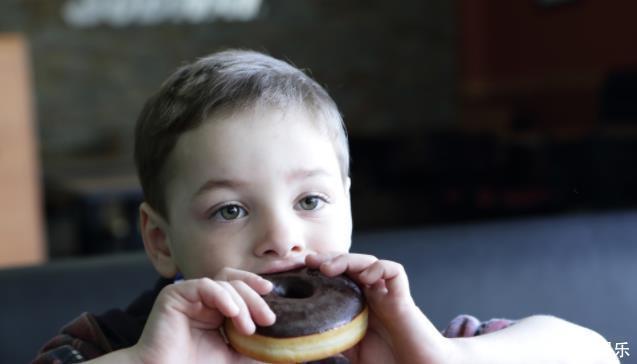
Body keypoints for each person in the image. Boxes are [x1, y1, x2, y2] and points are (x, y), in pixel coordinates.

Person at [33, 50, 618, 364]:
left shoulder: (385, 340)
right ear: (160, 240)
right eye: (231, 210)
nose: (282, 239)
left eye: (310, 199)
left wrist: (442, 357)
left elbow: (595, 352)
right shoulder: (119, 344)